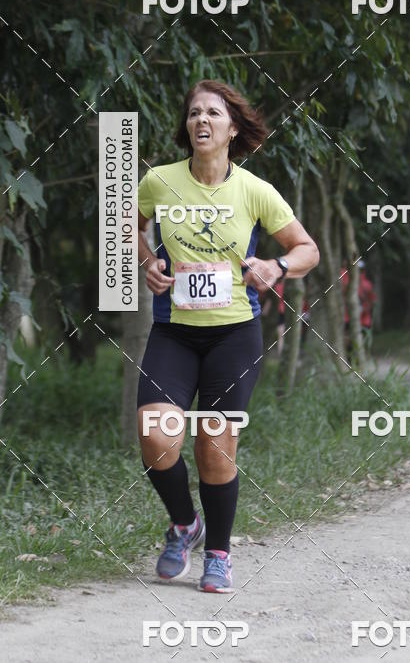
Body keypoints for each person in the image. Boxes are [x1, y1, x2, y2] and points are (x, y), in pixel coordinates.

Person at [136, 80, 319, 591]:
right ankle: (183, 524)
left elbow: (308, 249)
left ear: (231, 128)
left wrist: (276, 265)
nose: (202, 121)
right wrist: (149, 262)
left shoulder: (254, 191)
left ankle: (217, 550)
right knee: (156, 435)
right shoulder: (160, 181)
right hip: (174, 331)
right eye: (194, 113)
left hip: (234, 335)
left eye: (213, 113)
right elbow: (123, 224)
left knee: (214, 448)